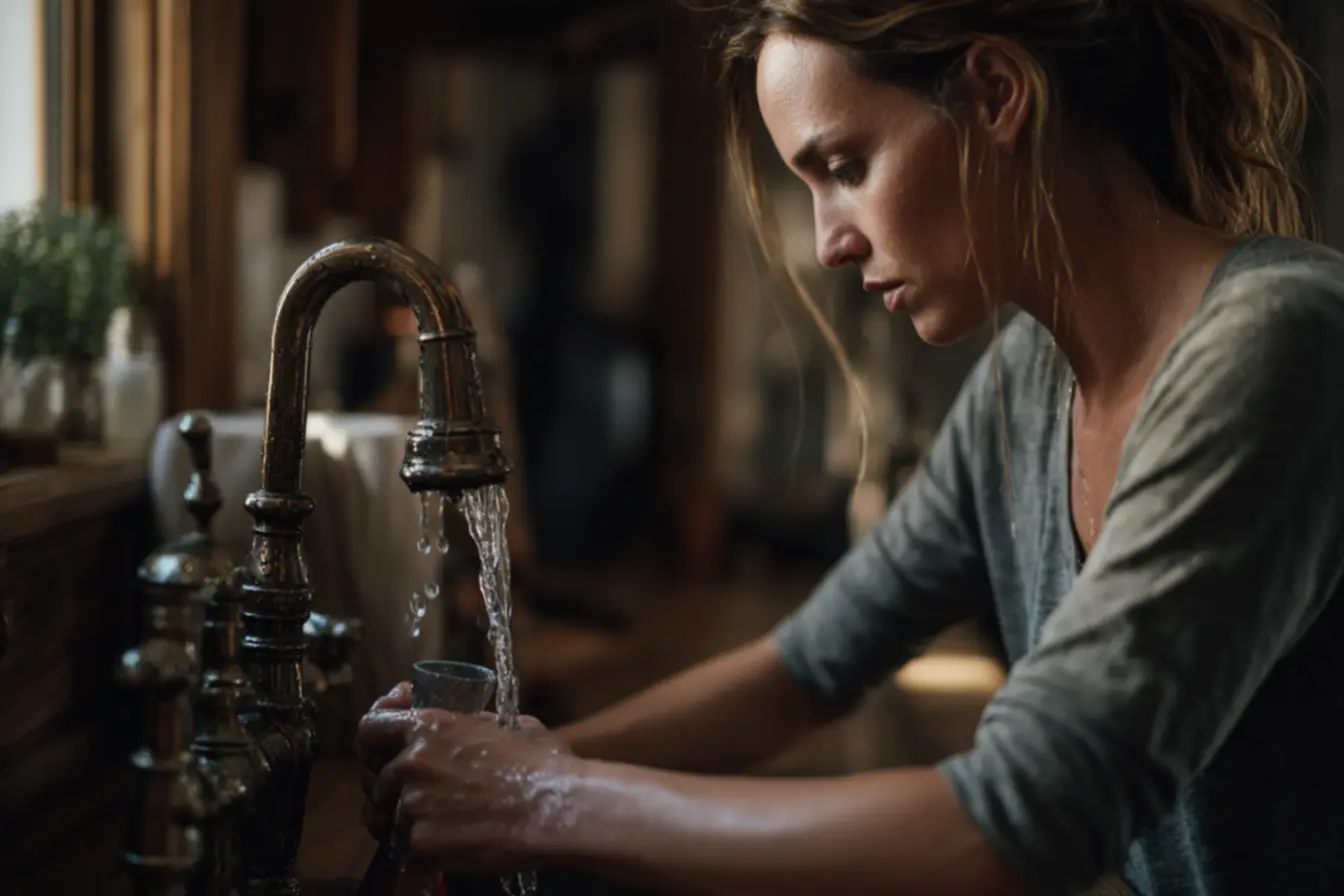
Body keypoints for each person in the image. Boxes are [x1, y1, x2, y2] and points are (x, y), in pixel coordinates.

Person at [355, 1, 1344, 893]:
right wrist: (512, 763)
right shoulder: (1027, 387)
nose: (829, 240)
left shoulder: (1277, 345)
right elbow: (807, 667)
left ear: (998, 95)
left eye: (845, 166)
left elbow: (1014, 824)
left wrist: (542, 800)